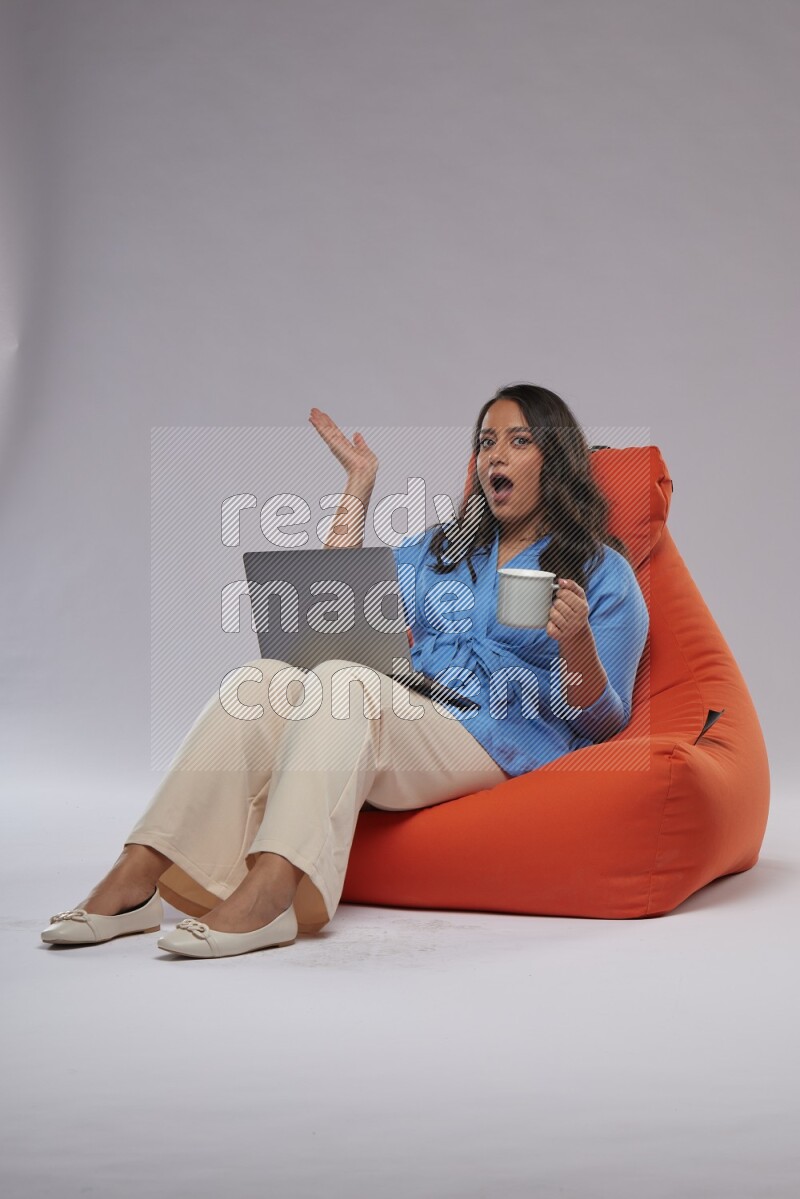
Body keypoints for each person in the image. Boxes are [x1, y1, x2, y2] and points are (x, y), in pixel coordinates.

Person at [40, 383, 649, 958]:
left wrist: (576, 644)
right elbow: (340, 609)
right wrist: (359, 489)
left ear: (557, 459)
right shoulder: (445, 547)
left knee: (343, 682)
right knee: (261, 682)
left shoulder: (602, 571)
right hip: (419, 708)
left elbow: (602, 721)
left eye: (519, 440)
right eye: (485, 442)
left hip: (502, 738)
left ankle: (272, 893)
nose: (495, 454)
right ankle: (140, 873)